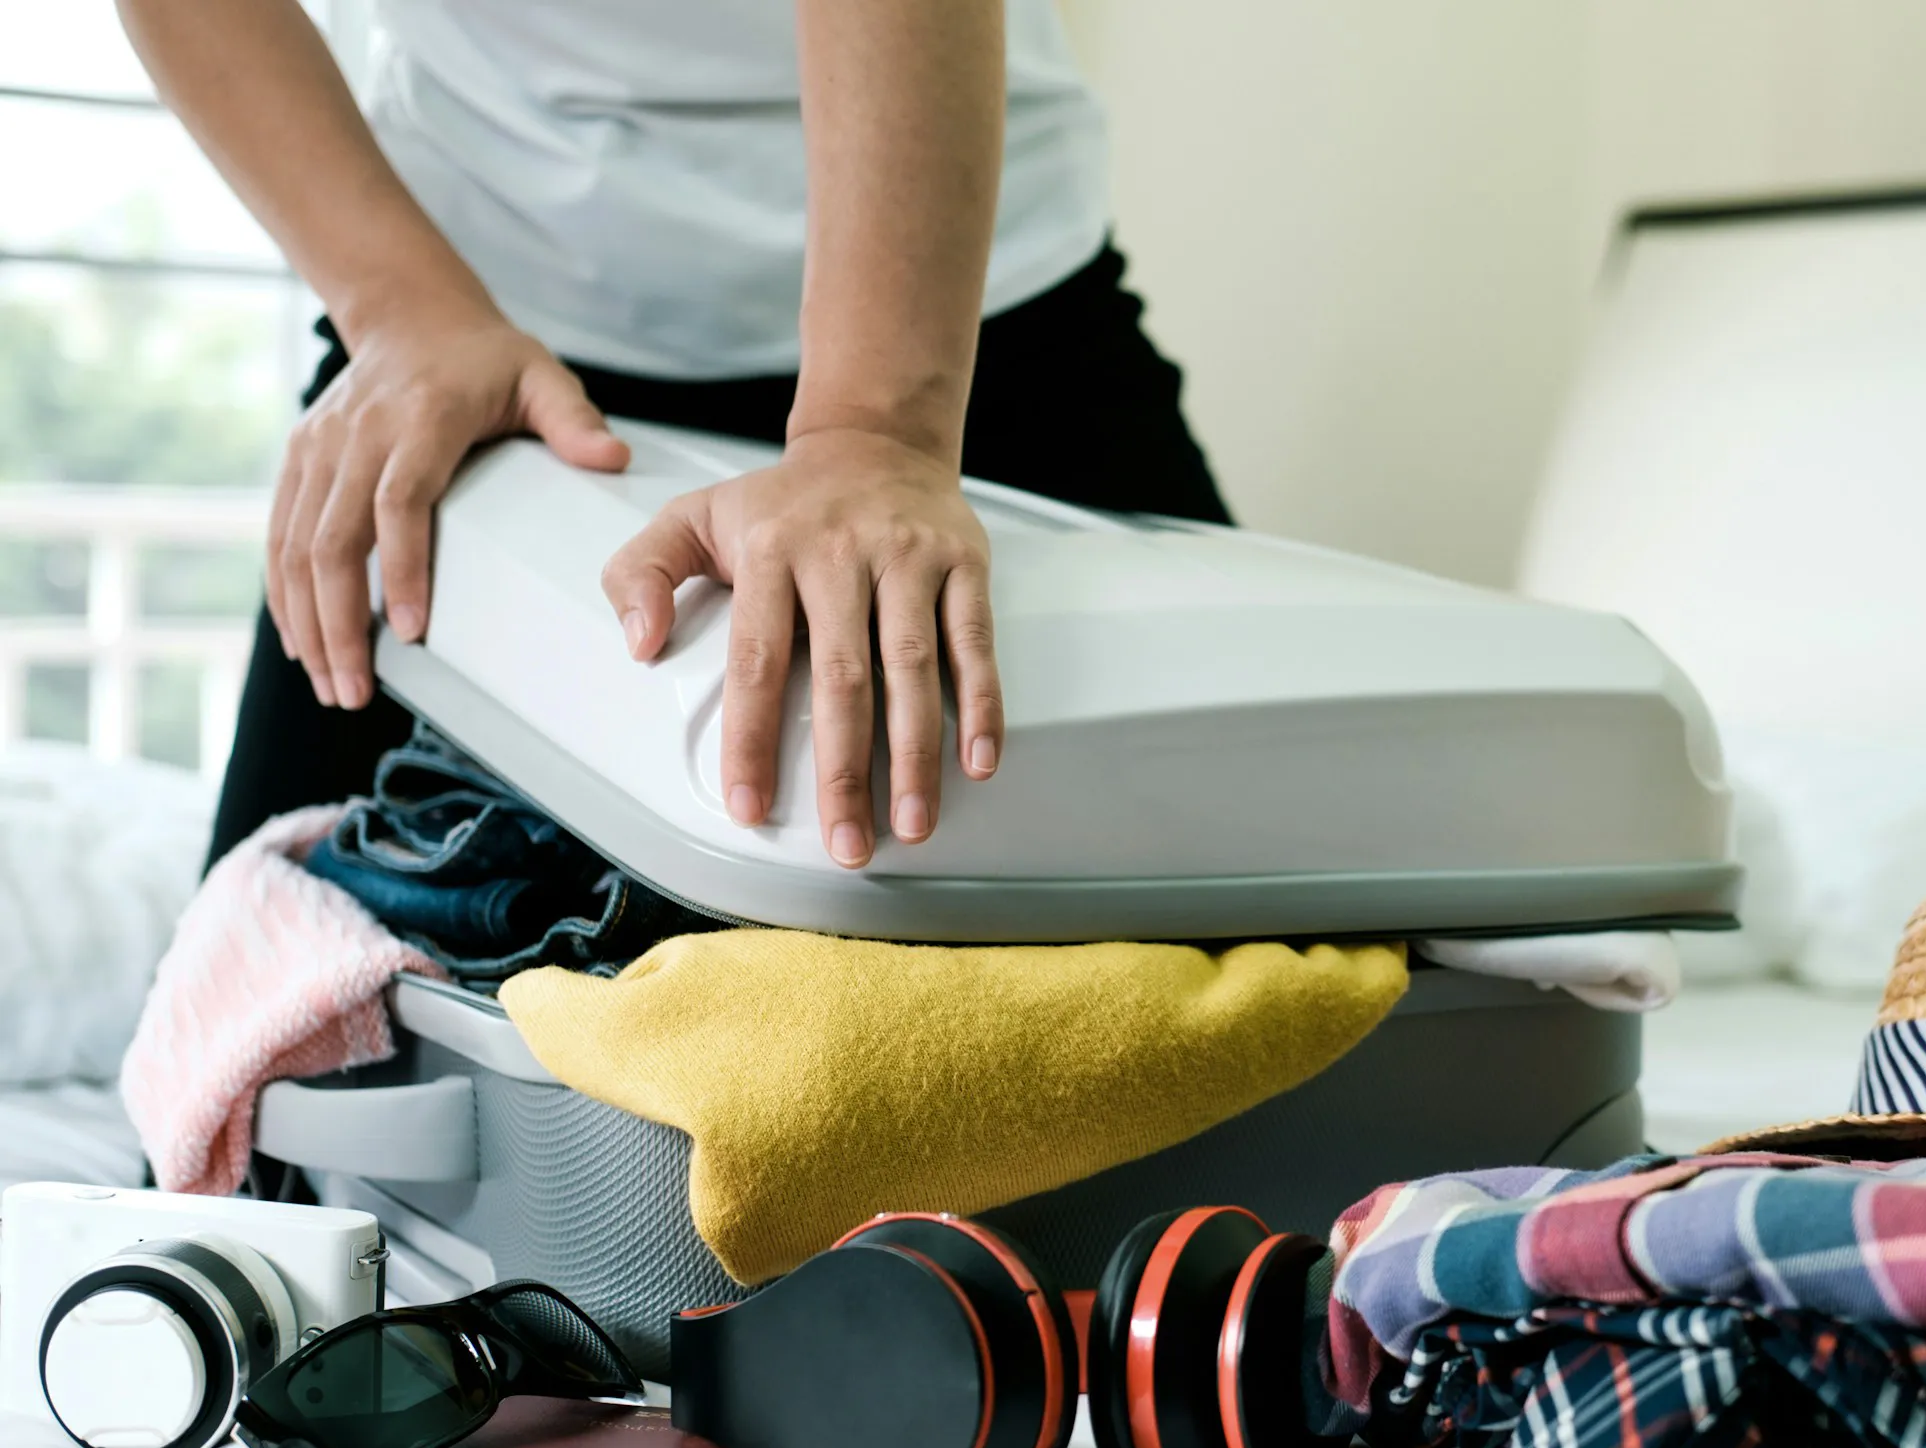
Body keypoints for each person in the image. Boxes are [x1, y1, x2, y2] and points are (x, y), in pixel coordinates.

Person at [120, 0, 1228, 874]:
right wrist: (398, 311)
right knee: (264, 998)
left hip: (958, 300)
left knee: (1289, 903)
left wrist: (875, 428)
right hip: (474, 313)